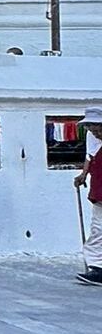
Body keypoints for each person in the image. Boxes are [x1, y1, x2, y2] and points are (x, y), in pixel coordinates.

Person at [76, 106, 102, 286]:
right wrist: (83, 174)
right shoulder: (92, 137)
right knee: (98, 230)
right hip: (99, 189)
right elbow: (90, 155)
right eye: (90, 128)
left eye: (97, 127)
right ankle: (98, 268)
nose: (94, 132)